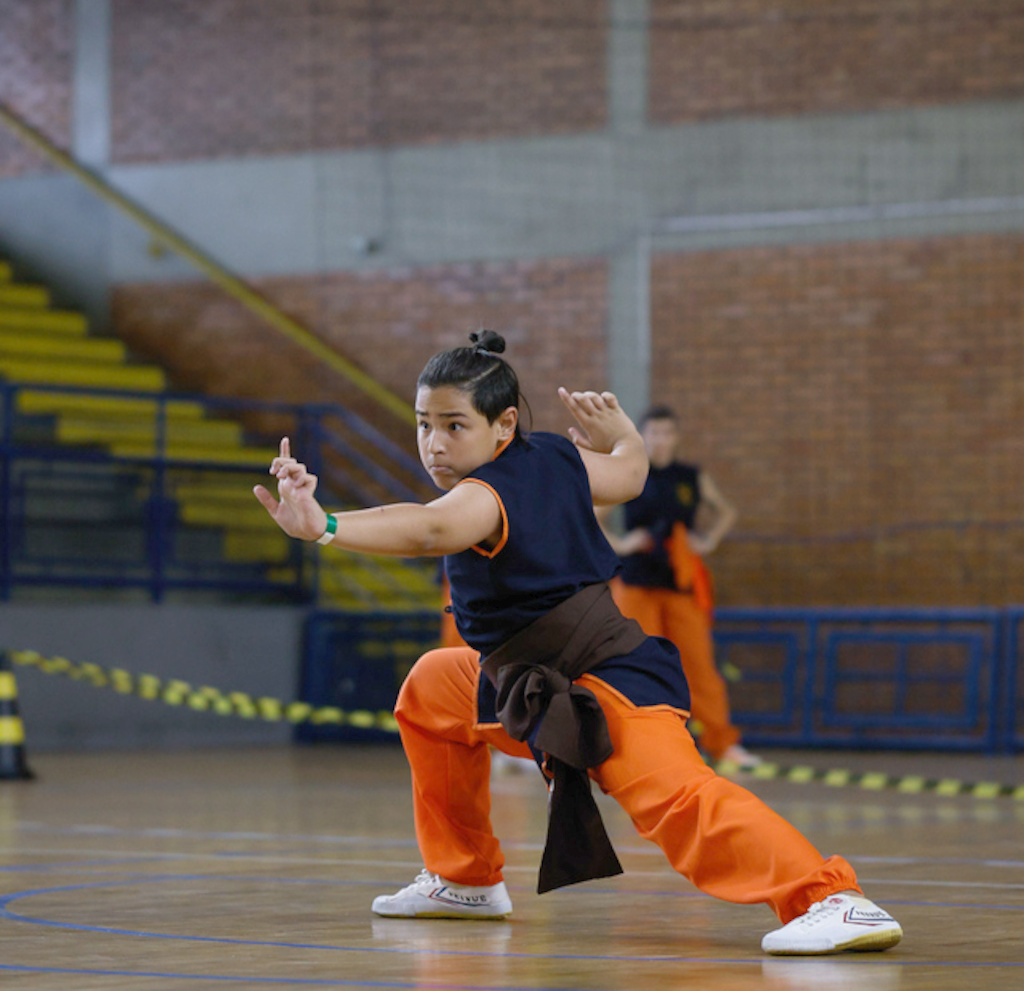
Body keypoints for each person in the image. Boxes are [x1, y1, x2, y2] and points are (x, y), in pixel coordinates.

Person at [254, 331, 902, 956]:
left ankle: (831, 899)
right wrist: (624, 436)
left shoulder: (483, 496)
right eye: (424, 424)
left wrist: (324, 525)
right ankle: (464, 879)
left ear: (503, 425)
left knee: (679, 800)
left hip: (605, 679)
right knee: (433, 687)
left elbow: (428, 529)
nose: (435, 443)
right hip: (528, 680)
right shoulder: (556, 458)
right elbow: (629, 475)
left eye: (455, 425)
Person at [602, 406, 755, 768]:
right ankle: (632, 743)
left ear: (676, 437)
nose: (661, 439)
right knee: (634, 663)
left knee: (699, 666)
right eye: (654, 432)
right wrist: (622, 543)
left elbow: (726, 511)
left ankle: (721, 743)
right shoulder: (631, 472)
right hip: (637, 584)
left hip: (679, 582)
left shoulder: (690, 477)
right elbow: (593, 517)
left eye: (667, 432)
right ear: (643, 436)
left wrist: (708, 540)